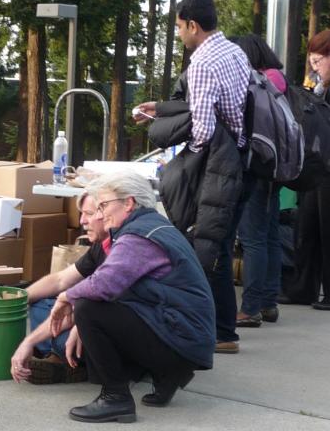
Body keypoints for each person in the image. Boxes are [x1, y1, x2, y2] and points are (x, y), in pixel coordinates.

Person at [135, 0, 251, 354]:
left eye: (180, 28)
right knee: (219, 239)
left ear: (193, 25)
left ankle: (221, 333)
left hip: (214, 164)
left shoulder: (201, 63)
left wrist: (181, 161)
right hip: (240, 160)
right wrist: (163, 107)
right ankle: (224, 329)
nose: (179, 35)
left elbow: (200, 128)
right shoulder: (234, 51)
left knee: (205, 245)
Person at [50, 170, 216, 423]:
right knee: (109, 303)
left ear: (128, 203)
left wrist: (66, 297)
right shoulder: (154, 225)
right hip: (188, 337)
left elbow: (105, 283)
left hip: (182, 339)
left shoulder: (138, 236)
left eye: (104, 205)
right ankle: (167, 375)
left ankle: (116, 397)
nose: (100, 212)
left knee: (88, 308)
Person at [11, 191, 109, 384]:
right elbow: (60, 280)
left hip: (112, 326)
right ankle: (59, 356)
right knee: (40, 302)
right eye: (81, 213)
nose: (82, 221)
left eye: (88, 213)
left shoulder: (124, 250)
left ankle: (65, 359)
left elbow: (89, 309)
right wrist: (17, 299)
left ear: (105, 213)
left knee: (64, 338)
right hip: (87, 312)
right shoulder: (100, 246)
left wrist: (29, 340)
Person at [231, 34, 286, 326]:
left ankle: (250, 307)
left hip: (258, 165)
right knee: (269, 235)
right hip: (275, 166)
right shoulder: (279, 78)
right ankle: (268, 302)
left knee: (252, 238)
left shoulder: (262, 80)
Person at [290, 29, 330, 310]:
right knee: (307, 226)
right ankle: (303, 288)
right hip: (317, 166)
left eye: (318, 61)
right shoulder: (320, 88)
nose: (314, 68)